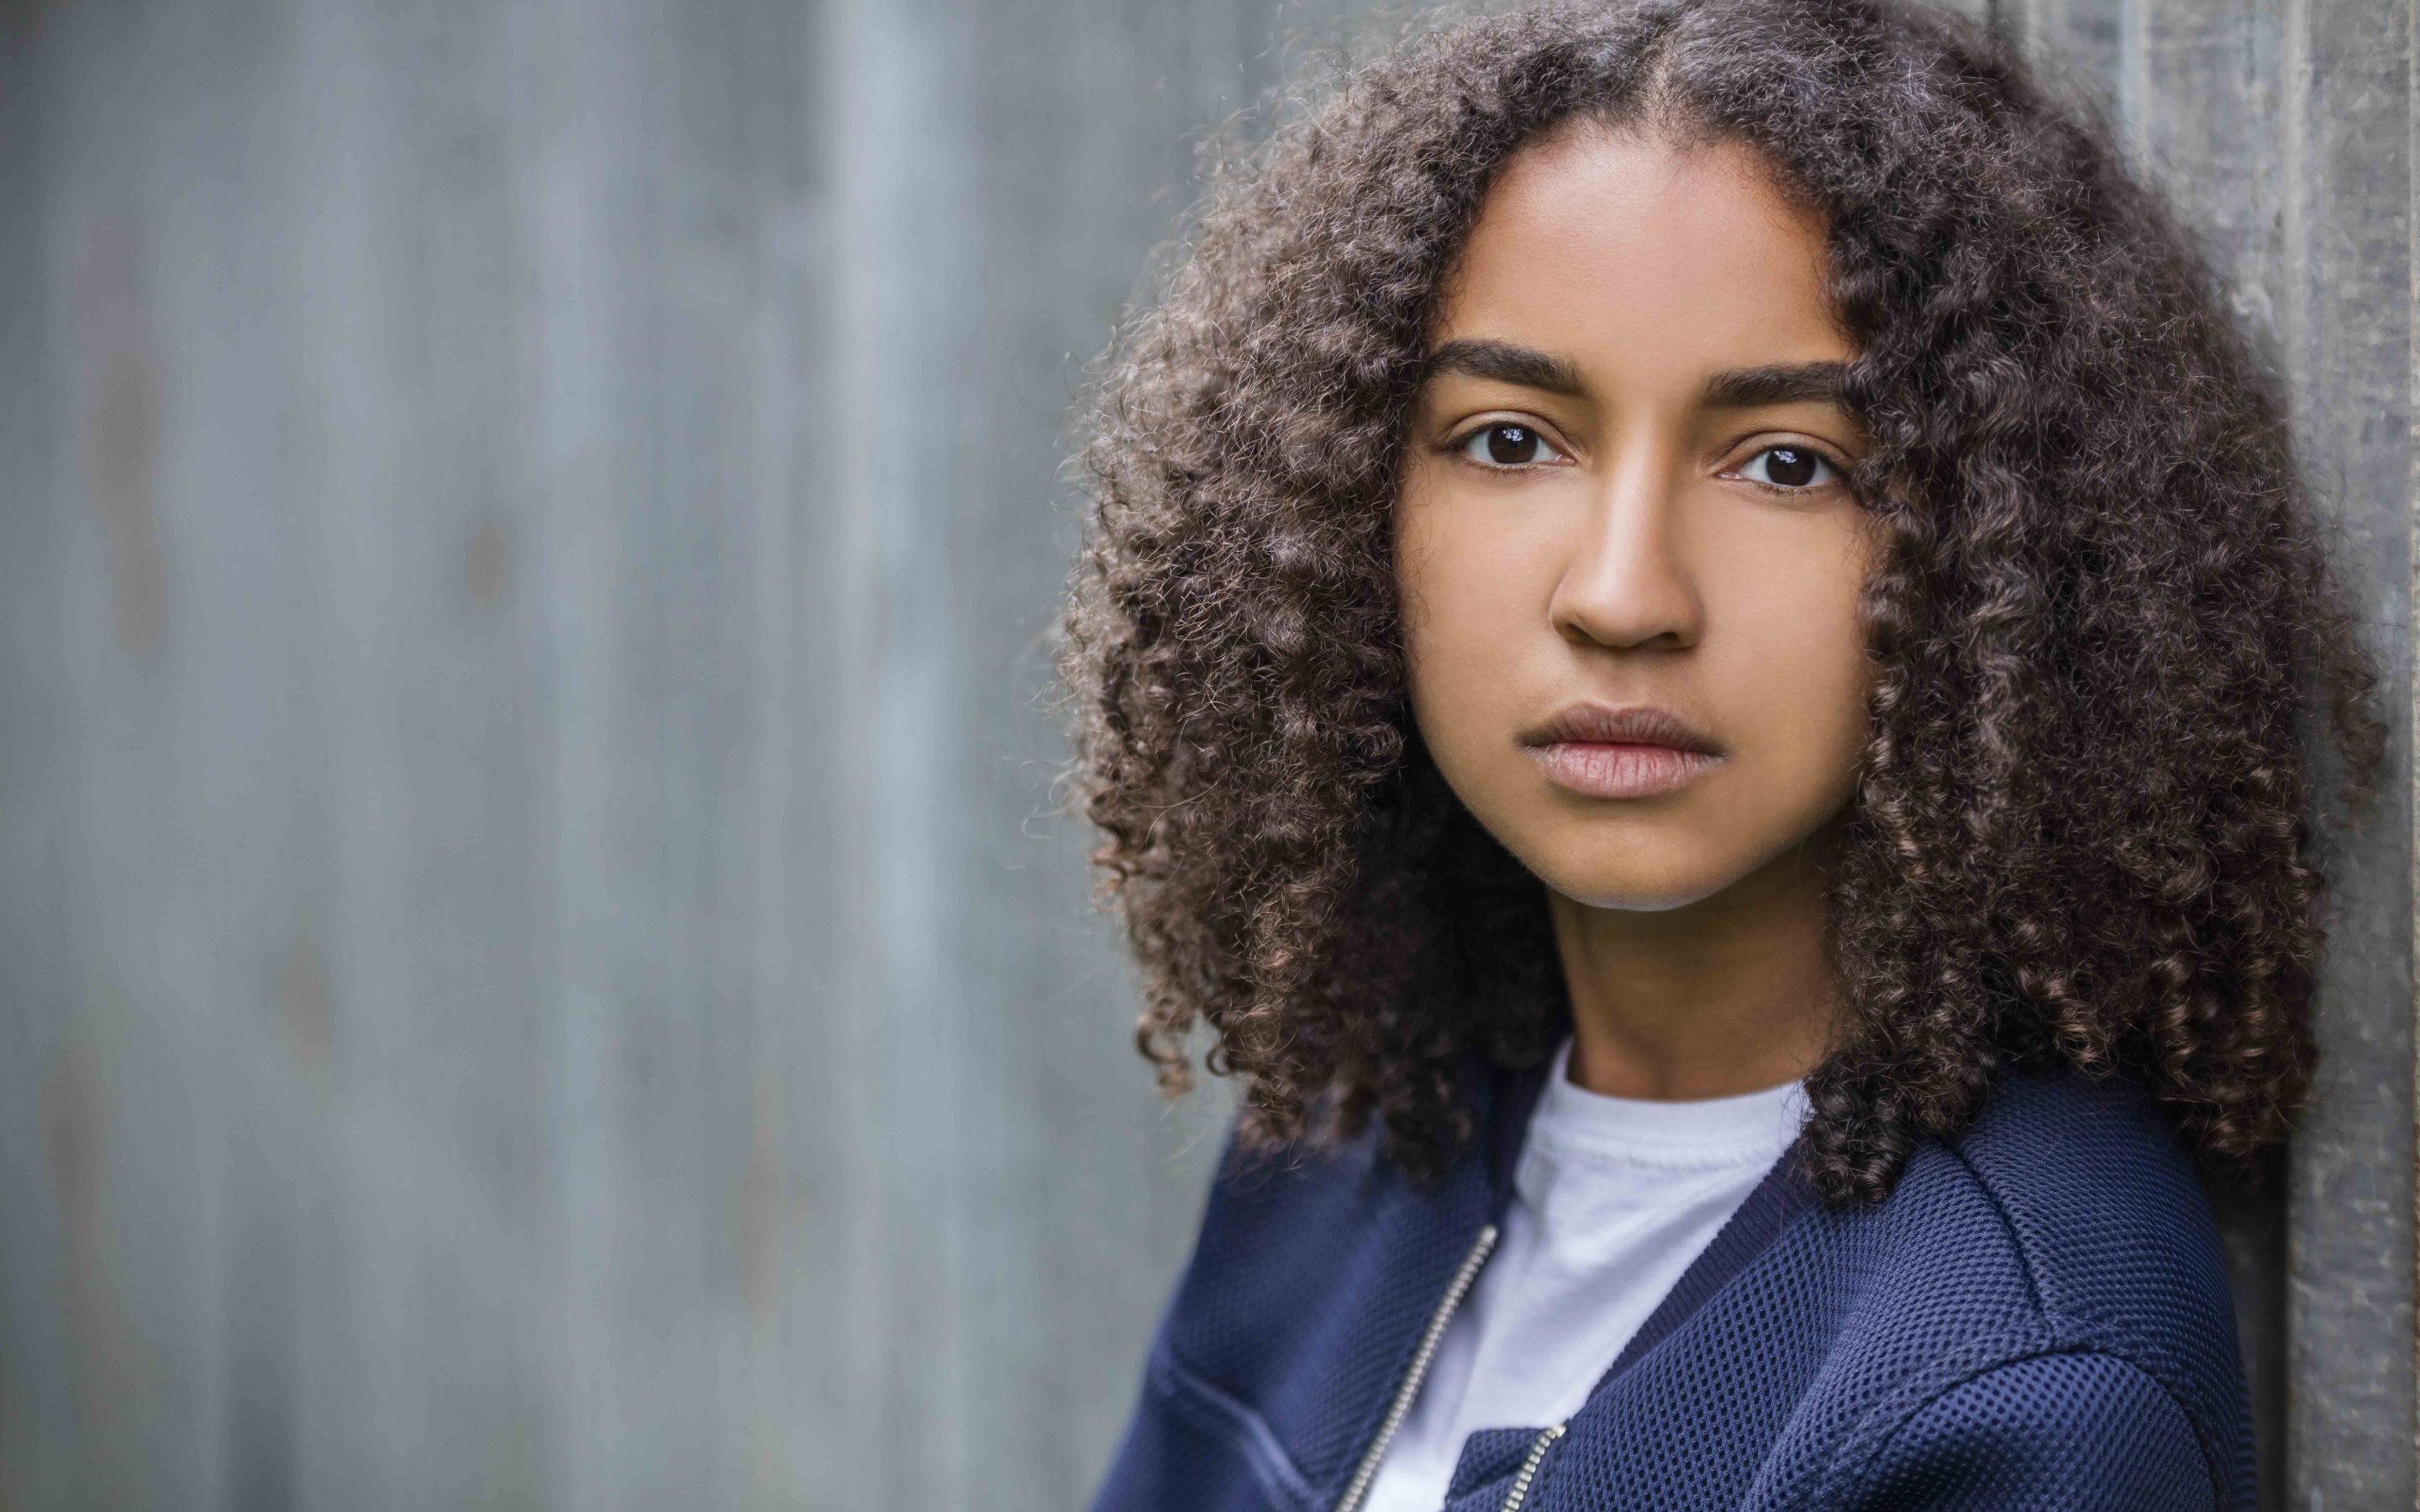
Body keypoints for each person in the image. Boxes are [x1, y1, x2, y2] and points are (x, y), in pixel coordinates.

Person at [1055, 2, 2383, 1508]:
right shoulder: (1356, 1133)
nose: (1624, 596)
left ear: (2003, 553)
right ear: (1352, 499)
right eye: (1510, 440)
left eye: (1789, 465)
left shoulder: (2026, 1379)